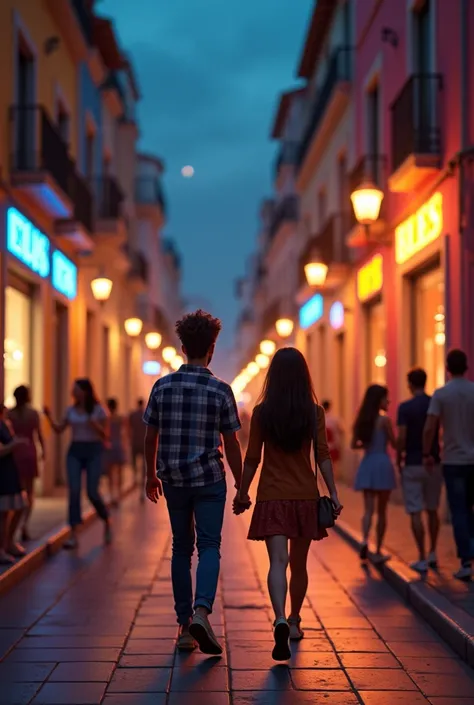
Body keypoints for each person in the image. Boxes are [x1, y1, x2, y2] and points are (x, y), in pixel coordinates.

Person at [144, 310, 242, 655]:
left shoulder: (162, 387)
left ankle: (185, 627)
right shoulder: (221, 390)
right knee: (210, 546)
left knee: (181, 549)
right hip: (210, 480)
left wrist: (149, 474)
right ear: (211, 348)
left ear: (183, 347)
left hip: (174, 480)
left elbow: (150, 435)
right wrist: (243, 484)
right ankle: (202, 610)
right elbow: (231, 442)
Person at [234, 348, 342, 662]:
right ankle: (295, 621)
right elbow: (322, 455)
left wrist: (242, 493)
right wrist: (333, 493)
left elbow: (252, 458)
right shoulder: (313, 412)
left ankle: (279, 617)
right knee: (300, 564)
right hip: (305, 496)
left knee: (277, 562)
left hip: (272, 496)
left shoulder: (262, 412)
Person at [423, 349, 474, 581]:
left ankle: (465, 561)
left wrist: (427, 452)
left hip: (453, 461)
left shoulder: (441, 394)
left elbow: (430, 426)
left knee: (459, 511)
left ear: (447, 368)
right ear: (466, 367)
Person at [44, 379, 111, 550]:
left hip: (93, 450)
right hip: (75, 450)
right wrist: (49, 416)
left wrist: (93, 424)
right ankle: (73, 533)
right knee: (73, 490)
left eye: (76, 389)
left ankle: (106, 518)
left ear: (85, 391)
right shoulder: (70, 410)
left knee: (91, 491)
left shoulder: (99, 410)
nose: (73, 392)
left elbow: (105, 435)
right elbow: (59, 429)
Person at [397, 369, 441, 573]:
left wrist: (399, 458)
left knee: (415, 510)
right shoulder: (434, 403)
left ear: (409, 384)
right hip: (434, 462)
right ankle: (433, 552)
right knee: (432, 509)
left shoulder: (405, 408)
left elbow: (402, 437)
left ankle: (422, 556)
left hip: (413, 463)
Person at [352, 384, 397, 563]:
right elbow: (393, 444)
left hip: (368, 463)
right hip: (382, 463)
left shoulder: (362, 420)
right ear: (379, 400)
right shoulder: (384, 420)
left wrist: (366, 445)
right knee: (382, 511)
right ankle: (378, 549)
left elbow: (354, 444)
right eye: (386, 398)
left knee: (368, 510)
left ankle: (364, 541)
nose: (389, 401)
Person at [8, 385, 45, 541]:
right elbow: (39, 434)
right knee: (29, 492)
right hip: (29, 452)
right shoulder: (33, 414)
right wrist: (44, 450)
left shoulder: (9, 414)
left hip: (15, 453)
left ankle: (14, 525)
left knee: (17, 490)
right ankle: (24, 525)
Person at [0, 404, 28, 564]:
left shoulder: (4, 424)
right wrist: (14, 445)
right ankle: (2, 548)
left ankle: (9, 543)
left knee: (19, 506)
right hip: (3, 475)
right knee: (3, 514)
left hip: (10, 472)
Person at [104, 398, 126, 506]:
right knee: (119, 472)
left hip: (109, 446)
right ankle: (118, 494)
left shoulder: (107, 419)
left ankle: (112, 495)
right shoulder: (120, 418)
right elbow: (124, 433)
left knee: (110, 473)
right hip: (118, 445)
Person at [322, 400, 344, 475]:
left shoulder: (319, 418)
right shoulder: (335, 419)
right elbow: (341, 431)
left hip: (323, 447)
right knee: (334, 465)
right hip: (334, 446)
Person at [129, 399, 146, 492]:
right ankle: (142, 480)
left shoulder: (133, 415)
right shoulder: (147, 414)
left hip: (134, 441)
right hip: (144, 442)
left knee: (134, 461)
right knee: (144, 464)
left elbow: (129, 428)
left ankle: (135, 477)